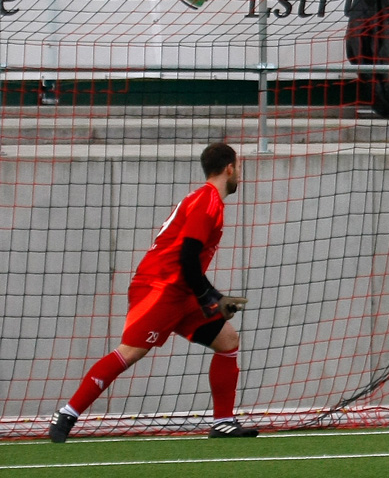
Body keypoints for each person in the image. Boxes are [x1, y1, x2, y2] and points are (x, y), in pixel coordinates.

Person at [49, 142, 258, 442]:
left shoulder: (207, 200)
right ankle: (68, 412)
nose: (240, 173)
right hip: (158, 288)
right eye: (238, 167)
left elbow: (189, 263)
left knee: (228, 341)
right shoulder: (208, 201)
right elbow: (187, 257)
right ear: (229, 168)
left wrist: (212, 296)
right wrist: (210, 297)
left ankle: (223, 421)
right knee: (131, 352)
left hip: (180, 290)